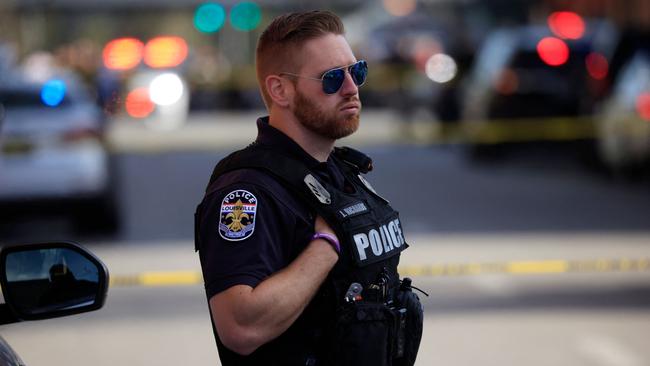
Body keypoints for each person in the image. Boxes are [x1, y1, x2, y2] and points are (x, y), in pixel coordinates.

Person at [195, 10, 423, 366]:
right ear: (280, 90)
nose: (351, 88)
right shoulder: (248, 191)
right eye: (332, 78)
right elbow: (240, 327)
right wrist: (327, 245)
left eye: (357, 71)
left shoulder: (338, 172)